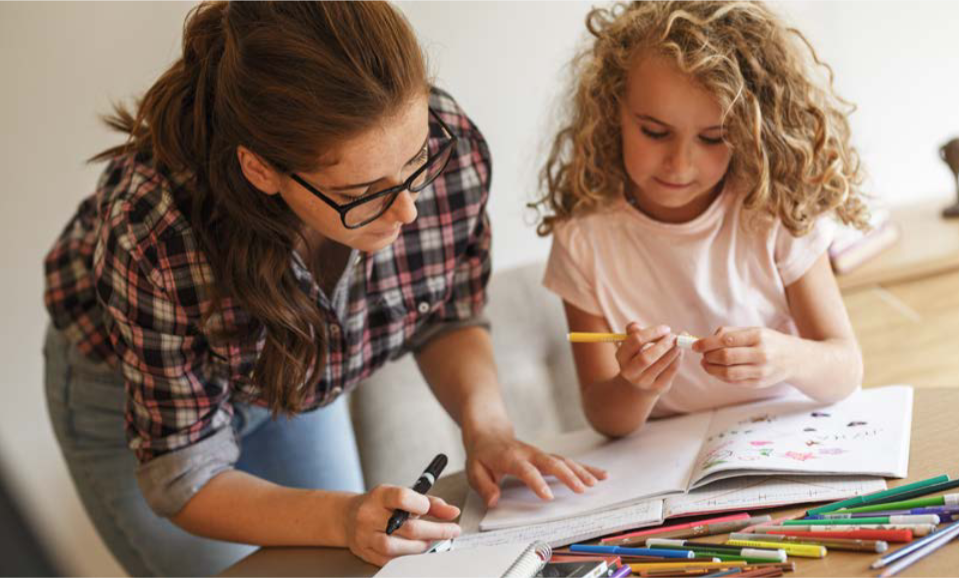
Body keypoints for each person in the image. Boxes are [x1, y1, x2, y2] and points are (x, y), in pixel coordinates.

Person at [43, 2, 605, 575]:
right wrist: (342, 518)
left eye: (414, 162)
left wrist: (488, 429)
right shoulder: (154, 229)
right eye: (363, 191)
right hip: (132, 399)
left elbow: (447, 314)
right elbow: (184, 472)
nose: (408, 209)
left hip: (290, 366)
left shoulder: (448, 142)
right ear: (260, 170)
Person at [534, 1, 867, 439]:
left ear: (750, 130)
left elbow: (846, 369)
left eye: (713, 138)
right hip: (667, 465)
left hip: (792, 440)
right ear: (612, 110)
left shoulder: (770, 210)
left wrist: (786, 358)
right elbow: (603, 415)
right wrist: (635, 386)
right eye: (654, 132)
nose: (679, 164)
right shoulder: (582, 240)